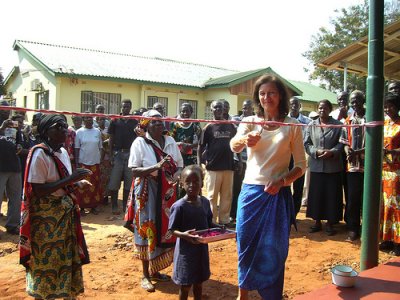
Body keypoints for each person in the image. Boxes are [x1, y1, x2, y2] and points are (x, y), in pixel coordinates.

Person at [230, 74, 306, 299]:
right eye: (262, 93)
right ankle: (242, 294)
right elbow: (233, 145)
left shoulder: (292, 126)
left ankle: (271, 295)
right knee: (245, 243)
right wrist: (245, 141)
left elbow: (302, 164)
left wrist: (283, 181)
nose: (266, 97)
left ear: (280, 95)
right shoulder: (250, 122)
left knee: (274, 249)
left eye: (271, 93)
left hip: (277, 194)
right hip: (251, 192)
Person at [19, 114, 92, 299]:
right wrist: (71, 178)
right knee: (46, 259)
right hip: (46, 218)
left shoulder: (62, 152)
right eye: (57, 126)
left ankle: (68, 292)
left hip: (64, 214)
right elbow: (38, 190)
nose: (63, 130)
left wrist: (77, 183)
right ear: (46, 131)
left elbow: (60, 182)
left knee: (67, 255)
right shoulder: (39, 154)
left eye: (64, 126)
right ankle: (42, 294)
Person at [124, 109, 183, 292]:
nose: (158, 124)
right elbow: (134, 171)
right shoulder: (140, 142)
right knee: (146, 228)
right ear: (146, 125)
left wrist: (177, 176)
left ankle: (156, 270)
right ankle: (145, 275)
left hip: (167, 190)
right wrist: (156, 167)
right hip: (147, 191)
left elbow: (179, 164)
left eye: (160, 121)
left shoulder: (171, 141)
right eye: (154, 122)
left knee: (164, 227)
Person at [168, 165, 213, 300]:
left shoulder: (204, 202)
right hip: (186, 253)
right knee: (186, 285)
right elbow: (172, 230)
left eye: (196, 181)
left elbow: (209, 223)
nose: (192, 185)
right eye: (188, 182)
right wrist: (184, 235)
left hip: (201, 251)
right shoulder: (179, 206)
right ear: (182, 184)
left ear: (202, 183)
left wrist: (222, 228)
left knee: (199, 283)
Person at [304, 99, 346, 236]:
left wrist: (332, 152)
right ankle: (316, 222)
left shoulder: (338, 125)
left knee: (331, 195)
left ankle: (330, 223)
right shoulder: (311, 125)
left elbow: (342, 143)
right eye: (320, 108)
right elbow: (307, 143)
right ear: (317, 109)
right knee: (317, 195)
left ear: (330, 109)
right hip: (316, 165)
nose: (322, 110)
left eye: (325, 108)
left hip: (333, 166)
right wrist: (316, 152)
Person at [198, 100, 236, 227]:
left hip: (229, 166)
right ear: (211, 109)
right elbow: (200, 147)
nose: (219, 109)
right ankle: (212, 221)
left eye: (221, 107)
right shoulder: (208, 127)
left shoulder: (230, 126)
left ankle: (224, 220)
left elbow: (237, 144)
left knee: (227, 196)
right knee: (212, 196)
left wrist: (239, 161)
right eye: (216, 107)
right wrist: (200, 165)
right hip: (213, 167)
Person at [340, 90, 366, 242]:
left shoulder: (371, 119)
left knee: (368, 199)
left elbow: (377, 142)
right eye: (353, 101)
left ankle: (367, 228)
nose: (355, 104)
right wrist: (348, 150)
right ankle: (353, 229)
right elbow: (344, 142)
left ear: (363, 100)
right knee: (353, 198)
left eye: (357, 101)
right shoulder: (348, 121)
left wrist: (358, 152)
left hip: (369, 166)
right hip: (353, 166)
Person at [108, 99, 138, 214]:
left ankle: (126, 206)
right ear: (121, 107)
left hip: (130, 154)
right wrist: (111, 155)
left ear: (130, 108)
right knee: (114, 181)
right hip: (118, 154)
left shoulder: (134, 121)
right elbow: (111, 139)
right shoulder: (115, 120)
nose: (125, 109)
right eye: (124, 107)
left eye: (128, 107)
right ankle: (114, 206)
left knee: (128, 181)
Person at [380, 93, 400, 256]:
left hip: (396, 172)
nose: (388, 109)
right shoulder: (383, 123)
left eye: (391, 106)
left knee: (395, 207)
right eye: (386, 106)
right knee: (384, 207)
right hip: (382, 170)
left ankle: (398, 242)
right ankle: (386, 238)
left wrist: (392, 151)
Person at [0, 101, 22, 235]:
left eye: (8, 109)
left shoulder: (14, 125)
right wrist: (1, 128)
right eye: (3, 109)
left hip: (15, 166)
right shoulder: (3, 125)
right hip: (0, 167)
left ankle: (12, 225)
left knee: (15, 197)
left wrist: (19, 145)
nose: (6, 111)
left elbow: (20, 142)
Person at [74, 114, 103, 214]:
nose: (88, 119)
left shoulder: (97, 131)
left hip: (95, 163)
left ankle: (94, 206)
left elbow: (100, 147)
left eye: (90, 117)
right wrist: (77, 162)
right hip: (83, 163)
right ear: (83, 119)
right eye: (86, 117)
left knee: (94, 185)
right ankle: (82, 207)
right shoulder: (79, 132)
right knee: (82, 186)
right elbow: (77, 148)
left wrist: (101, 160)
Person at [230, 99, 254, 222]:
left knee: (248, 188)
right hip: (238, 160)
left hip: (251, 162)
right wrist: (238, 160)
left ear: (253, 109)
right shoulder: (236, 121)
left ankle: (247, 213)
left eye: (248, 108)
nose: (246, 110)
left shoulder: (256, 122)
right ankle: (234, 214)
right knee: (236, 189)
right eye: (244, 108)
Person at [289, 96, 312, 217]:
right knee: (285, 186)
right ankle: (286, 212)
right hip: (285, 157)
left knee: (298, 187)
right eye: (291, 104)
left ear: (300, 106)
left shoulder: (307, 122)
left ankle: (294, 213)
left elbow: (309, 140)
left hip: (300, 157)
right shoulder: (283, 120)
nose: (293, 106)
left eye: (296, 104)